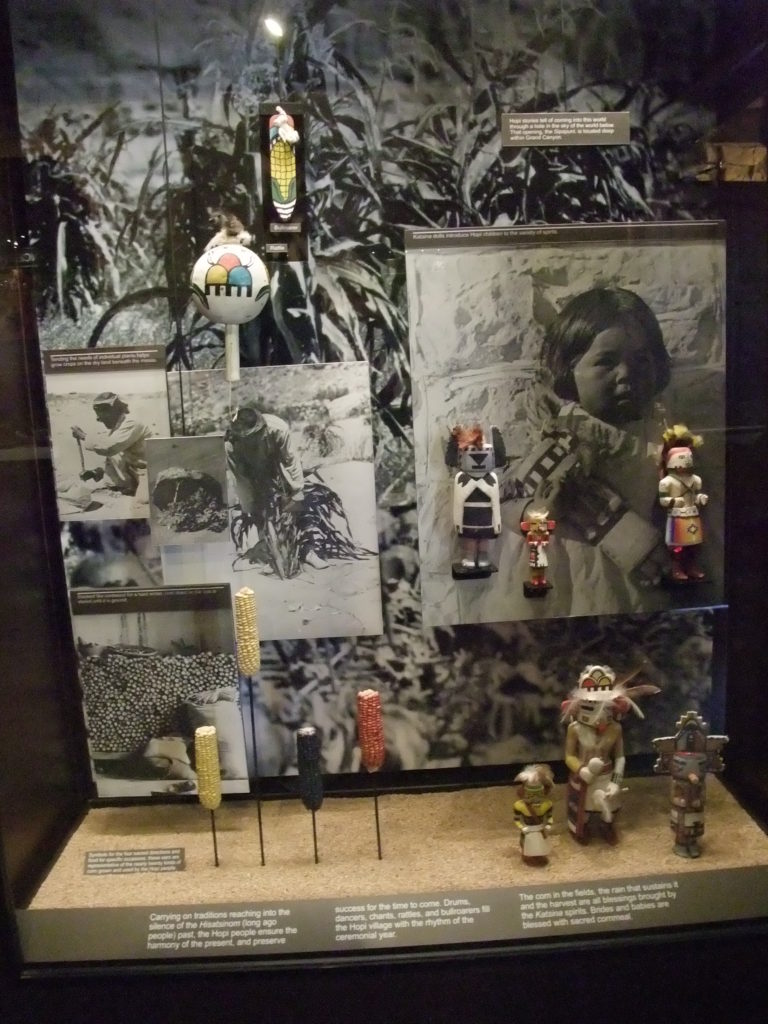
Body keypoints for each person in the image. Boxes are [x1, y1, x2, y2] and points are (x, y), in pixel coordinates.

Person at [492, 287, 676, 617]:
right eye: (605, 362)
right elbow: (503, 500)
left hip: (640, 592)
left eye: (641, 360)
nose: (626, 375)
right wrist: (536, 511)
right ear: (570, 371)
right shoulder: (567, 439)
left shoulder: (663, 437)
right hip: (575, 584)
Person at [225, 405, 328, 570]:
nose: (251, 439)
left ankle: (307, 550)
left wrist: (296, 492)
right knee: (259, 511)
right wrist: (249, 504)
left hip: (279, 467)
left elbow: (290, 460)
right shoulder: (231, 443)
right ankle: (268, 551)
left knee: (297, 507)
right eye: (246, 437)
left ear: (262, 428)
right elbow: (240, 478)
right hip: (254, 473)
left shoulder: (277, 428)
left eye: (254, 435)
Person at [71, 392, 152, 496]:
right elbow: (115, 457)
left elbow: (109, 448)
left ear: (115, 411)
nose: (102, 422)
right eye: (100, 419)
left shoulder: (131, 423)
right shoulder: (117, 426)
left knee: (142, 502)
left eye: (104, 418)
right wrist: (96, 472)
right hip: (132, 474)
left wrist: (84, 436)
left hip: (145, 474)